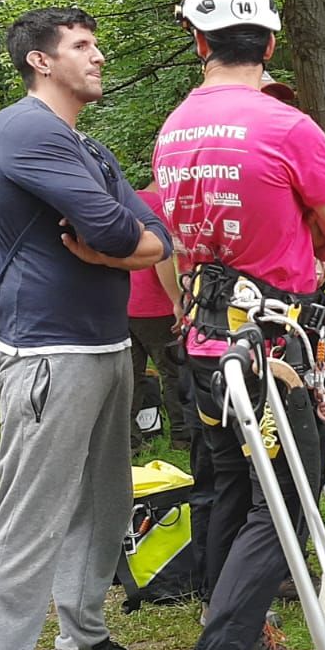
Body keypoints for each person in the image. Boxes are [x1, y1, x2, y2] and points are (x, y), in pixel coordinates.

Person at [155, 0, 325, 650]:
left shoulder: (175, 128)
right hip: (270, 352)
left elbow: (171, 254)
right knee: (279, 506)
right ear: (272, 39)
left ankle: (246, 646)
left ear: (197, 36)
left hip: (205, 346)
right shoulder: (288, 127)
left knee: (225, 496)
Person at [0, 8, 174, 650]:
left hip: (108, 349)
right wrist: (123, 247)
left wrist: (119, 251)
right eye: (82, 46)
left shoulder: (86, 144)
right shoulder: (25, 131)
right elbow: (122, 231)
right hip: (49, 356)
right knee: (31, 520)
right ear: (41, 62)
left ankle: (82, 647)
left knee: (103, 507)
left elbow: (154, 235)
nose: (99, 55)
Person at [127, 185, 190, 451]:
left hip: (124, 303)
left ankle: (129, 440)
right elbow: (162, 257)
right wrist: (177, 300)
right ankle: (183, 437)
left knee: (130, 377)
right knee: (174, 373)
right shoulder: (158, 206)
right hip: (155, 307)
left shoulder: (128, 200)